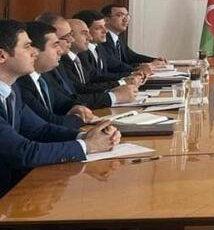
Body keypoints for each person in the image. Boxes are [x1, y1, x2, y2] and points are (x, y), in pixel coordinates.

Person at [0, 19, 120, 197]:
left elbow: (41, 129)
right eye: (27, 46)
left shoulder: (12, 89)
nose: (34, 52)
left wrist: (85, 136)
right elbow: (23, 152)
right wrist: (87, 146)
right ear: (2, 56)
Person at [42, 16, 137, 109]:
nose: (71, 39)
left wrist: (125, 81)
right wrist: (115, 95)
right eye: (66, 36)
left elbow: (95, 78)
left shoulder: (73, 58)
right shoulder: (57, 64)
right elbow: (72, 96)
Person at [16, 22, 97, 128]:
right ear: (36, 51)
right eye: (55, 45)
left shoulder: (43, 77)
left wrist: (76, 107)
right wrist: (81, 118)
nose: (60, 51)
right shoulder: (20, 83)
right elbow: (47, 122)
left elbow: (62, 101)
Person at [73, 10, 149, 78]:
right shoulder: (81, 52)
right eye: (98, 28)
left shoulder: (99, 47)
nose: (105, 31)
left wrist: (137, 70)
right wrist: (128, 77)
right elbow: (96, 78)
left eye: (104, 26)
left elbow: (116, 65)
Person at [100, 4, 165, 67]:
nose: (125, 20)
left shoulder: (118, 38)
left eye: (127, 16)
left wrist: (154, 60)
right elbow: (114, 66)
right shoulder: (102, 39)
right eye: (120, 15)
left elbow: (133, 56)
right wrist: (144, 66)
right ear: (107, 20)